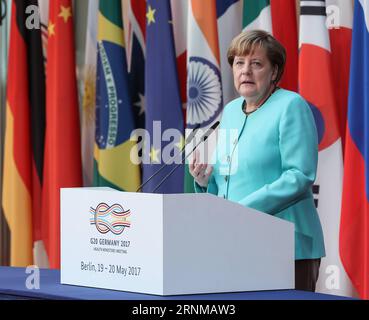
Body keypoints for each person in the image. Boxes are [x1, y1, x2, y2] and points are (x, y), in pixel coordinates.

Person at [189, 30, 325, 292]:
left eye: (256, 64)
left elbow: (299, 175)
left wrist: (242, 210)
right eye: (239, 63)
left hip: (289, 246)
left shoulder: (291, 106)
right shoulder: (230, 111)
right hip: (237, 242)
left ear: (274, 71)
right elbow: (228, 177)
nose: (245, 71)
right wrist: (206, 181)